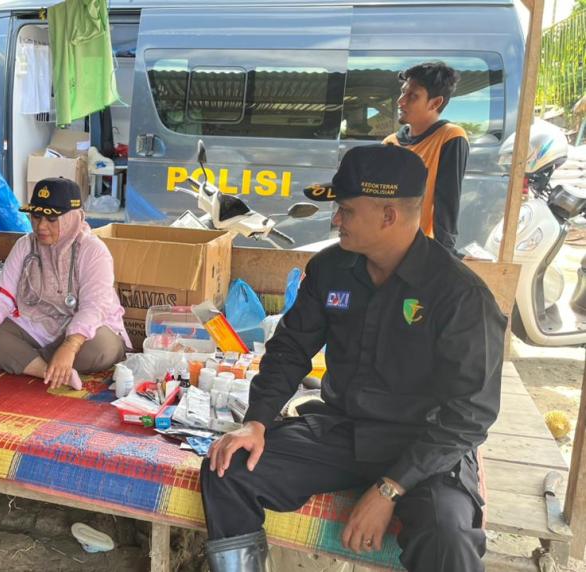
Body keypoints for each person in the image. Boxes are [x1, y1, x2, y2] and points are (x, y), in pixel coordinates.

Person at [201, 145, 506, 572]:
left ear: (388, 216)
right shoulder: (330, 270)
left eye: (345, 209)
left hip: (425, 446)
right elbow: (290, 349)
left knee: (448, 537)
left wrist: (389, 490)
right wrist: (256, 421)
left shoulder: (459, 295)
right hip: (343, 431)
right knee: (227, 466)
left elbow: (470, 415)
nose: (335, 220)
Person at [0, 177, 130, 391]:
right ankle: (49, 371)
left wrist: (70, 346)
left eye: (52, 219)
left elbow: (94, 307)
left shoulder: (93, 250)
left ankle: (33, 361)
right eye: (36, 217)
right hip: (37, 325)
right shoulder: (25, 245)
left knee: (102, 349)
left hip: (86, 332)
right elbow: (3, 295)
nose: (41, 226)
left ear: (72, 218)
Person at [383, 61, 468, 255]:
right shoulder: (390, 142)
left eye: (412, 95)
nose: (401, 101)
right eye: (403, 92)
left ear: (435, 103)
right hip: (385, 246)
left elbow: (447, 201)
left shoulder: (450, 137)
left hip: (420, 250)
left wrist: (444, 254)